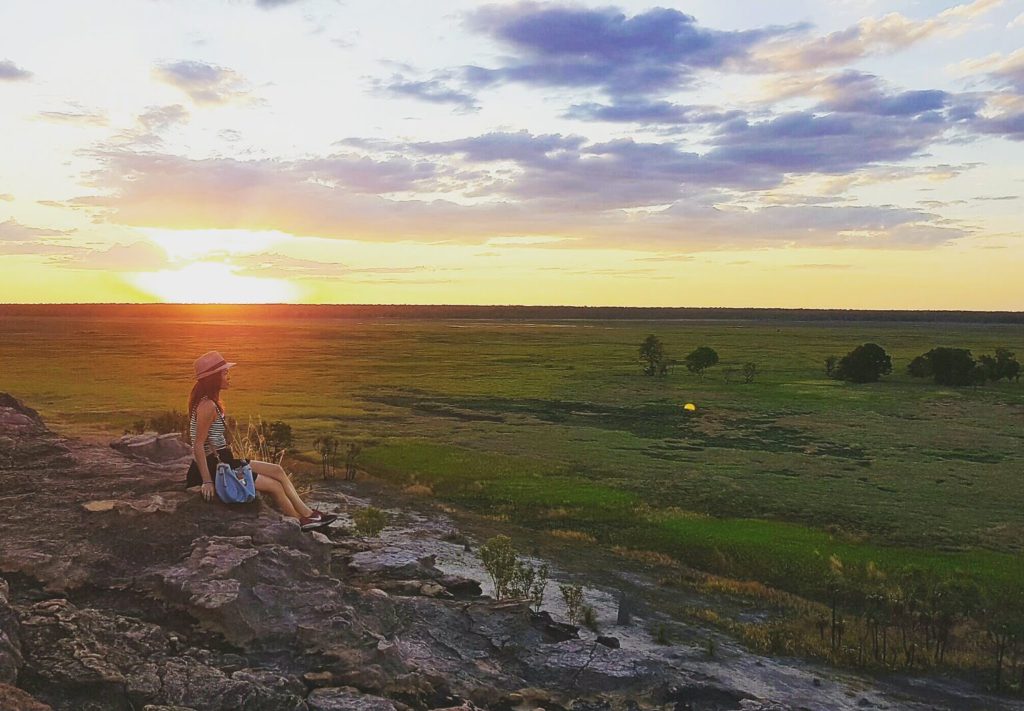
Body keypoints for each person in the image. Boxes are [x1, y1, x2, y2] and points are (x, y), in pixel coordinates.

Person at [185, 350, 336, 531]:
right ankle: (299, 522)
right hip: (215, 466)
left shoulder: (210, 401)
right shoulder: (207, 405)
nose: (229, 376)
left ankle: (308, 514)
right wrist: (207, 481)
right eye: (225, 373)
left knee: (277, 470)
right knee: (275, 486)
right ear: (213, 378)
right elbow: (198, 444)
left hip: (224, 460)